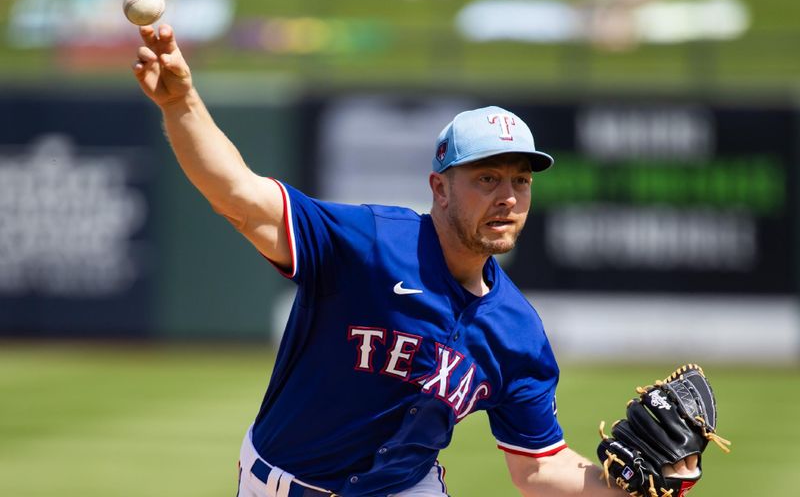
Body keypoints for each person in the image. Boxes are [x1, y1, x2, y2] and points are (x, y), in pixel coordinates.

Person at [132, 24, 699, 497]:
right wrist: (181, 101)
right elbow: (237, 197)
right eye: (487, 178)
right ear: (440, 187)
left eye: (520, 181)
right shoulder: (370, 244)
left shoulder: (517, 332)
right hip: (282, 483)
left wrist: (631, 488)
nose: (508, 197)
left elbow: (538, 466)